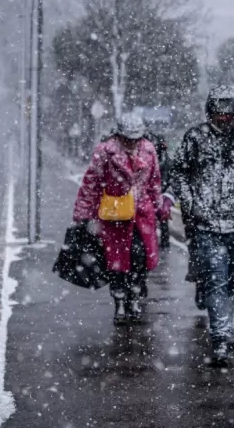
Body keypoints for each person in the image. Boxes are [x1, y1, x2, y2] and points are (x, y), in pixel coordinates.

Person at [169, 85, 234, 363]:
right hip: (207, 225)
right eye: (217, 114)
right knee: (216, 279)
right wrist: (190, 202)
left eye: (228, 115)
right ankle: (221, 337)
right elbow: (178, 170)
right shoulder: (195, 137)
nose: (222, 119)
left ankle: (225, 321)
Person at [73, 113, 171, 325]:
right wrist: (83, 214)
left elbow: (155, 182)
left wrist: (159, 207)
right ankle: (119, 301)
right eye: (128, 138)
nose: (132, 142)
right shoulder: (105, 152)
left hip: (141, 214)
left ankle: (135, 297)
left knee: (139, 257)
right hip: (114, 214)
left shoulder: (149, 149)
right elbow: (91, 184)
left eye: (136, 138)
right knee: (116, 262)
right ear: (119, 135)